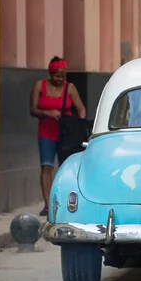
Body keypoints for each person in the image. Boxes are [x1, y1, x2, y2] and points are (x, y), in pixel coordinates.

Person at [31, 57, 86, 218]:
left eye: (63, 76)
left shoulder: (69, 88)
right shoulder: (39, 86)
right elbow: (32, 109)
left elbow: (81, 109)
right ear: (50, 74)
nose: (60, 79)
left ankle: (65, 202)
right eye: (57, 76)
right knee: (46, 166)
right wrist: (46, 113)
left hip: (66, 133)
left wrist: (80, 127)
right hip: (46, 131)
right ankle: (48, 204)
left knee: (66, 167)